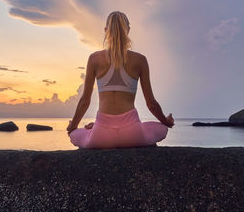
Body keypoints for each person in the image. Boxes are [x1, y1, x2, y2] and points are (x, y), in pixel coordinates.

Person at [67, 11, 174, 149]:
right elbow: (151, 104)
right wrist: (165, 121)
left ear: (106, 31)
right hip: (133, 134)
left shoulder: (94, 59)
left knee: (76, 134)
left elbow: (84, 102)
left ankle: (97, 128)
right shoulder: (140, 60)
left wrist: (73, 126)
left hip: (101, 135)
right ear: (128, 30)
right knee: (160, 128)